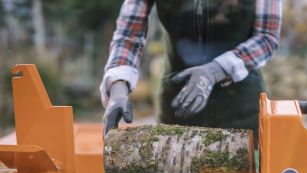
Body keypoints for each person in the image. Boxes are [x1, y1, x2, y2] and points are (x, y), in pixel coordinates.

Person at [100, 0, 282, 141]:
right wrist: (118, 85)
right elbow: (129, 35)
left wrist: (215, 71)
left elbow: (266, 38)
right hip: (178, 107)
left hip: (241, 108)